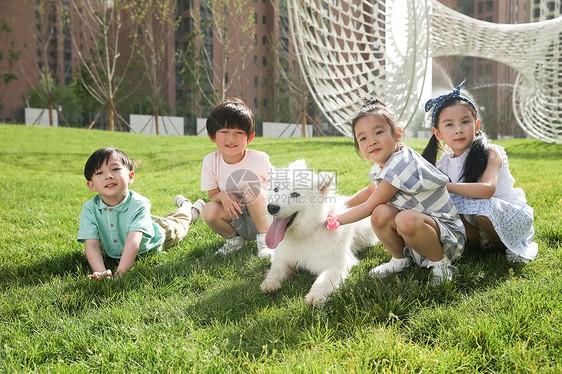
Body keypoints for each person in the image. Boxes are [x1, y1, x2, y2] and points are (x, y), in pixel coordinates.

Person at [326, 98, 466, 285]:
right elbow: (369, 192)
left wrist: (334, 222)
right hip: (416, 234)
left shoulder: (401, 163)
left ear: (397, 134)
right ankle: (400, 260)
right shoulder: (381, 167)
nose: (371, 141)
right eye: (363, 138)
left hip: (446, 239)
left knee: (402, 218)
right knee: (380, 213)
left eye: (378, 132)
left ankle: (441, 264)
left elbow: (368, 205)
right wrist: (339, 206)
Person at [422, 80, 538, 263]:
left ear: (476, 126)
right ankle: (477, 245)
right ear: (438, 133)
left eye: (465, 122)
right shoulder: (444, 162)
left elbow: (487, 190)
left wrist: (446, 185)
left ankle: (507, 246)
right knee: (450, 205)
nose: (458, 130)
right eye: (449, 125)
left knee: (481, 209)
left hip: (508, 217)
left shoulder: (490, 152)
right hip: (478, 217)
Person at [77, 147, 204, 278]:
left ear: (130, 176)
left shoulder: (140, 203)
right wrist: (102, 273)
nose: (108, 176)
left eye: (115, 169)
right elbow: (91, 245)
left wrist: (120, 274)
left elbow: (133, 241)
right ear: (91, 185)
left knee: (179, 223)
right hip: (137, 224)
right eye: (99, 173)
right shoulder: (89, 209)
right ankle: (188, 209)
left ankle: (189, 209)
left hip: (158, 235)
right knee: (165, 219)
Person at [200, 98, 274, 258]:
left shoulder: (259, 159)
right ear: (212, 136)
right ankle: (234, 241)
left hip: (264, 218)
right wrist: (223, 195)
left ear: (249, 138)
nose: (231, 138)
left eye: (239, 133)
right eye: (224, 132)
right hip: (236, 217)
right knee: (208, 210)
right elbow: (213, 196)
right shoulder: (211, 161)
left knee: (251, 186)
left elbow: (277, 190)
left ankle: (266, 241)